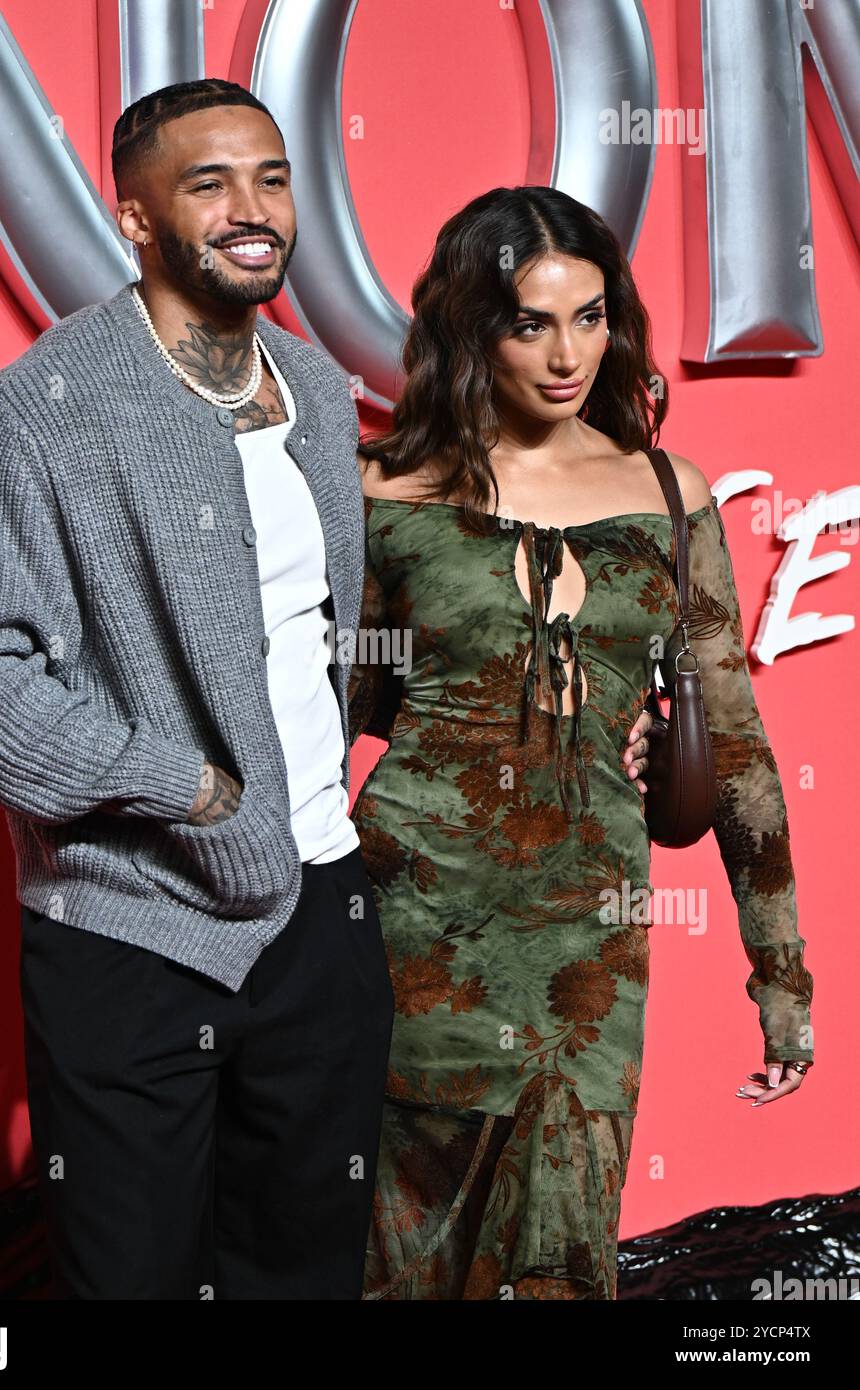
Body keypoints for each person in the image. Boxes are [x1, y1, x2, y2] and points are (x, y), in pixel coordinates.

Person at [0, 78, 398, 1300]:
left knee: (306, 1266)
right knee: (131, 1276)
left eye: (270, 178)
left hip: (320, 907)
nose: (251, 210)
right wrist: (188, 790)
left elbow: (311, 633)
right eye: (208, 183)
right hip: (132, 923)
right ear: (133, 216)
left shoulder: (316, 392)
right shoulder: (37, 414)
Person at [348, 185, 815, 1301]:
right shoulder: (382, 489)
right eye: (528, 323)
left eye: (590, 316)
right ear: (470, 329)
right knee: (395, 1259)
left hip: (590, 936)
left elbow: (738, 746)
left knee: (561, 1253)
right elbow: (337, 706)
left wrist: (779, 972)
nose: (566, 354)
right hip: (415, 919)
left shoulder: (665, 494)